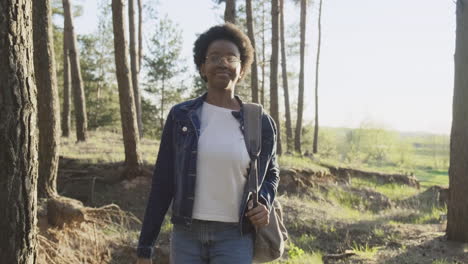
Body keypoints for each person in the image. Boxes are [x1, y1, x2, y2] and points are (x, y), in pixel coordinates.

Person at [136, 23, 280, 264]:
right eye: (214, 58)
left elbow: (271, 173)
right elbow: (163, 182)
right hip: (186, 236)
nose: (222, 63)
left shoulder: (260, 121)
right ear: (203, 67)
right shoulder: (180, 116)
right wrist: (145, 247)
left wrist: (264, 200)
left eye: (231, 58)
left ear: (241, 69)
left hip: (235, 236)